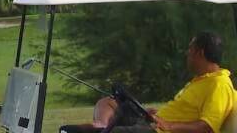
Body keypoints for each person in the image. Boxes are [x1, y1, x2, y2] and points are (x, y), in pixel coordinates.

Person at [73, 32, 234, 133]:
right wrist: (158, 115)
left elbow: (206, 127)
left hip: (159, 131)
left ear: (200, 53)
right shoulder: (202, 80)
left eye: (190, 50)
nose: (187, 54)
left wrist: (169, 126)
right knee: (108, 103)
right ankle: (101, 125)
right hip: (153, 124)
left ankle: (103, 128)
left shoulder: (219, 85)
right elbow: (185, 111)